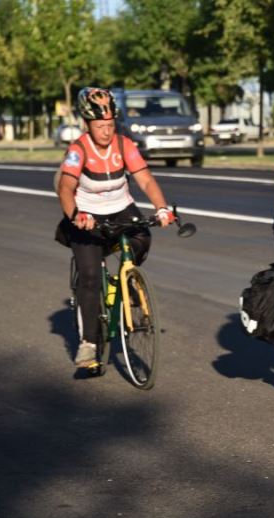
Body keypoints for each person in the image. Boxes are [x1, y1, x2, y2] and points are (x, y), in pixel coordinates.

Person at [55, 87, 175, 368]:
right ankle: (88, 345)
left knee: (143, 237)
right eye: (100, 126)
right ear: (87, 124)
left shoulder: (124, 145)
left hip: (121, 207)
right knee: (89, 277)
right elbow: (66, 188)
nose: (106, 132)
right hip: (87, 214)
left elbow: (145, 180)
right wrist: (76, 214)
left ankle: (127, 279)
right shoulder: (78, 150)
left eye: (110, 125)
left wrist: (161, 208)